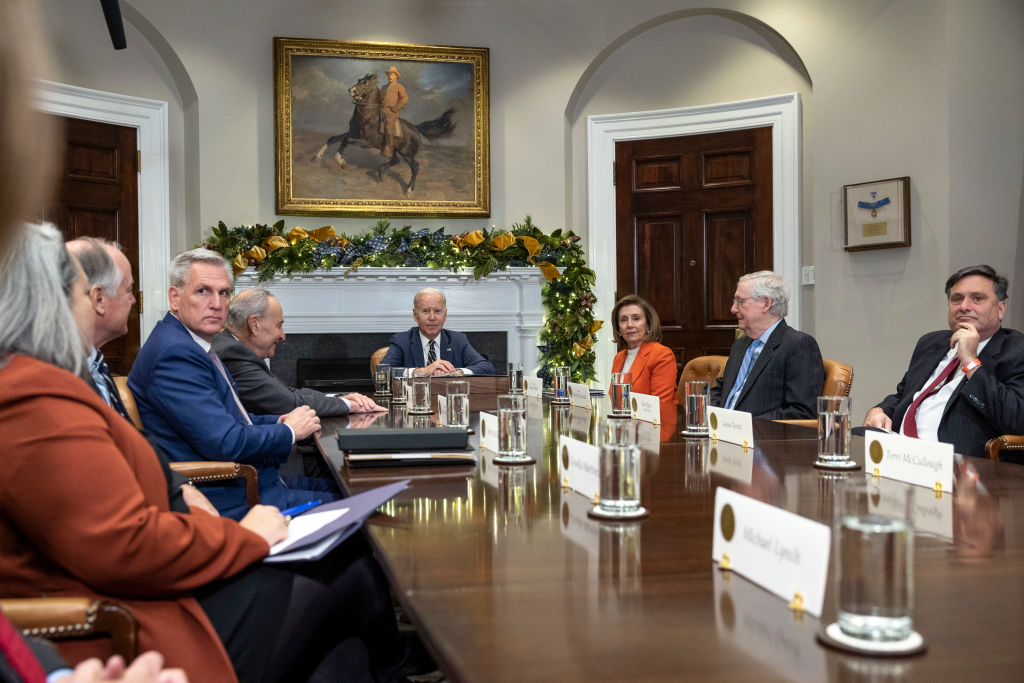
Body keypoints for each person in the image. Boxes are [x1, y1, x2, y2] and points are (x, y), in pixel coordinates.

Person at [0, 223, 429, 683]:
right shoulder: (33, 400)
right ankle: (403, 664)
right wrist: (251, 537)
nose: (102, 302)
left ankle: (394, 667)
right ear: (53, 303)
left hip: (170, 573)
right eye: (89, 294)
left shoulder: (54, 386)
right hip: (143, 623)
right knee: (349, 571)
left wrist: (183, 489)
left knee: (342, 634)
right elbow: (126, 545)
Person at [128, 249, 337, 520]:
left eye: (224, 293)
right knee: (363, 513)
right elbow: (226, 442)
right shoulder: (175, 353)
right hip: (234, 500)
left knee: (354, 492)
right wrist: (288, 432)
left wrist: (277, 421)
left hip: (261, 484)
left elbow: (232, 420)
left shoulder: (194, 343)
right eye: (203, 291)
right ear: (175, 298)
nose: (216, 303)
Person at [864, 265, 1024, 461]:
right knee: (846, 441)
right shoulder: (931, 343)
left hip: (956, 457)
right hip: (902, 448)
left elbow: (1016, 418)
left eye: (977, 298)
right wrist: (880, 409)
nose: (964, 306)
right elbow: (904, 393)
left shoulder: (1016, 350)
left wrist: (971, 362)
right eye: (956, 299)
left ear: (1000, 308)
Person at [212, 288, 383, 416]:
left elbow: (288, 392)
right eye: (278, 325)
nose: (283, 335)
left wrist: (340, 397)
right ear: (254, 325)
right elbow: (287, 402)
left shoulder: (233, 347)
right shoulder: (233, 354)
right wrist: (348, 405)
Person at [709, 270, 823, 419]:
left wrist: (743, 425)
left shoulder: (798, 345)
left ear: (765, 303)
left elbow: (802, 413)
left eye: (740, 301)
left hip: (762, 439)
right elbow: (723, 390)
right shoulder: (741, 345)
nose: (733, 309)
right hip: (721, 434)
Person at [381, 287, 496, 376]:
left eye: (437, 311)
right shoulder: (401, 341)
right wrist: (422, 371)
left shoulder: (458, 340)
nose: (432, 317)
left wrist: (456, 373)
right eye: (425, 311)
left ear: (445, 315)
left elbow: (487, 367)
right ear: (415, 315)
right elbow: (383, 372)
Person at [609, 295, 677, 404]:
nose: (629, 325)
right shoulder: (619, 357)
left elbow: (660, 405)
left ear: (648, 325)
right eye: (623, 320)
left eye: (636, 318)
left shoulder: (662, 355)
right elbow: (615, 401)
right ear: (618, 328)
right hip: (621, 420)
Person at [380, 65, 408, 158]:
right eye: (389, 75)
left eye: (392, 75)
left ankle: (389, 150)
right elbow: (379, 98)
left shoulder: (399, 87)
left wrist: (395, 108)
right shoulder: (383, 87)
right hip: (381, 110)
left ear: (396, 76)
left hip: (392, 112)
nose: (390, 77)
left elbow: (405, 99)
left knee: (388, 129)